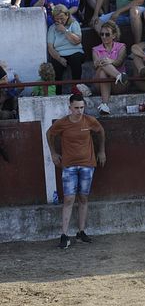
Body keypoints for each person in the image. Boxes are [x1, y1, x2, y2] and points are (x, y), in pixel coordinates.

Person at [46, 93, 106, 250]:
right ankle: (64, 235)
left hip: (87, 164)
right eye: (76, 108)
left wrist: (101, 151)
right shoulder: (63, 123)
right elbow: (49, 133)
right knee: (69, 199)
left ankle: (81, 232)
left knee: (83, 198)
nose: (79, 111)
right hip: (69, 165)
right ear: (70, 108)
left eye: (81, 107)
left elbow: (100, 131)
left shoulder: (90, 120)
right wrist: (53, 153)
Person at [47, 4, 85, 86]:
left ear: (67, 15)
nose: (60, 21)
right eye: (57, 19)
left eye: (62, 18)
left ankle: (76, 88)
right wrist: (59, 58)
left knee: (76, 60)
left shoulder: (74, 24)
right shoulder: (52, 28)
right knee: (55, 64)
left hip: (75, 51)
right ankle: (58, 93)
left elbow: (77, 41)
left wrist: (65, 30)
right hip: (60, 54)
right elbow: (50, 48)